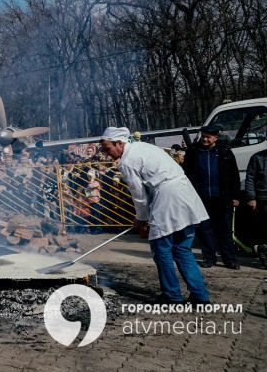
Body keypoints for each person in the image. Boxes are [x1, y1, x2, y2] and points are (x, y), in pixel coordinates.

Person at [100, 127, 210, 304]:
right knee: (182, 249)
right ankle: (200, 295)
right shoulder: (143, 147)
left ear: (119, 143)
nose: (106, 153)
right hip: (184, 191)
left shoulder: (128, 161)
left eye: (107, 148)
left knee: (161, 250)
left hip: (168, 195)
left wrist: (141, 218)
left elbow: (139, 195)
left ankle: (172, 296)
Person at [182, 125, 241, 269]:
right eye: (204, 136)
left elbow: (234, 175)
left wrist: (235, 196)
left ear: (216, 138)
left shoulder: (225, 151)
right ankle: (209, 258)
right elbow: (187, 174)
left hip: (222, 197)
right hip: (201, 197)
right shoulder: (193, 151)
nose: (205, 139)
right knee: (205, 229)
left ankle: (229, 259)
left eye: (209, 137)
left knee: (225, 229)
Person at [244, 148, 267, 268]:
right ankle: (264, 254)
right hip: (263, 198)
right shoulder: (257, 158)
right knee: (264, 229)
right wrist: (251, 197)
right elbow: (250, 178)